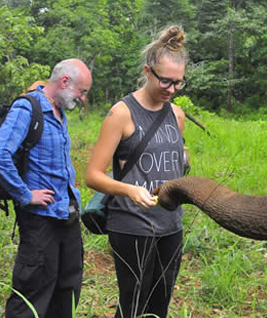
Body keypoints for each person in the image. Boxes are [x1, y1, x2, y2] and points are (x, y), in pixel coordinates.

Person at [85, 25, 189, 318]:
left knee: (160, 302)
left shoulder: (177, 115)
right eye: (165, 81)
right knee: (133, 304)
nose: (171, 89)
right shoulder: (121, 114)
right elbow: (93, 175)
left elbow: (175, 161)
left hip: (171, 226)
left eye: (178, 83)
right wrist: (130, 190)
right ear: (148, 71)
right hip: (132, 226)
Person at [0, 59, 92, 318]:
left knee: (67, 287)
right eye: (82, 91)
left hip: (66, 214)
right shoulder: (28, 108)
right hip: (41, 220)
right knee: (33, 290)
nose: (83, 98)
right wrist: (24, 194)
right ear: (65, 82)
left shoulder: (59, 109)